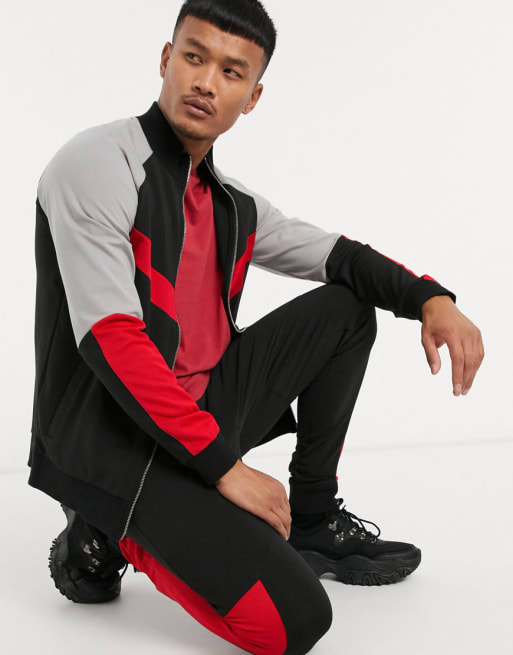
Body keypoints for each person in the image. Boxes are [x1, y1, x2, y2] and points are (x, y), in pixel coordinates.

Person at [28, 0, 484, 653]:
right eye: (194, 57)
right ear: (166, 59)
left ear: (253, 96)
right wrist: (225, 469)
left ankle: (314, 518)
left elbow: (336, 256)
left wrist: (429, 298)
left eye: (231, 71)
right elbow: (113, 341)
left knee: (345, 309)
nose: (206, 82)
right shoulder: (96, 164)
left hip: (199, 417)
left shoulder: (231, 203)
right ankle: (103, 529)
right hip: (118, 441)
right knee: (293, 624)